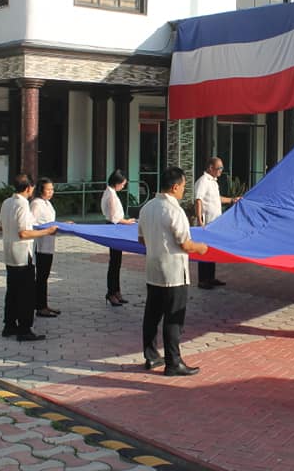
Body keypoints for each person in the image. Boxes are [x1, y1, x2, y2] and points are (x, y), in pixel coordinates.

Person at [139, 166, 208, 376]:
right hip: (173, 272)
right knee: (173, 318)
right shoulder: (174, 210)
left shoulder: (147, 207)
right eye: (183, 187)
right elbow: (185, 244)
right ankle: (173, 362)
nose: (183, 191)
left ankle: (151, 356)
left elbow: (141, 239)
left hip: (153, 269)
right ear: (175, 186)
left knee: (152, 315)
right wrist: (201, 248)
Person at [0, 174, 58, 342]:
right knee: (26, 293)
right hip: (22, 254)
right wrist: (47, 231)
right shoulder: (22, 204)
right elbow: (24, 232)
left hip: (9, 252)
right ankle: (25, 329)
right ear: (28, 188)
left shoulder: (7, 202)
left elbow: (0, 226)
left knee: (12, 291)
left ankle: (9, 325)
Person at [194, 157, 239, 289]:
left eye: (221, 168)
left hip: (214, 223)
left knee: (211, 250)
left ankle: (211, 277)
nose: (221, 171)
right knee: (203, 251)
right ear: (210, 168)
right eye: (219, 168)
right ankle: (203, 280)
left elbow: (216, 199)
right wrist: (199, 219)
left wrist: (232, 200)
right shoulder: (203, 181)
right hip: (206, 223)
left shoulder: (213, 182)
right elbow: (198, 200)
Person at [30, 177, 65, 318]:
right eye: (48, 189)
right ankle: (40, 306)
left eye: (52, 189)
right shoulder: (36, 204)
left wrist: (63, 225)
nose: (51, 192)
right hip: (41, 245)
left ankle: (43, 304)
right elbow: (33, 224)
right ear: (40, 190)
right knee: (41, 276)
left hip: (49, 244)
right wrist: (48, 229)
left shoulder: (47, 204)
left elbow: (51, 221)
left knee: (44, 276)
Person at [101, 169, 136, 306]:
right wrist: (127, 221)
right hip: (114, 228)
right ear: (117, 183)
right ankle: (111, 292)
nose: (123, 186)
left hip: (115, 228)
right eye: (123, 184)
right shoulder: (111, 195)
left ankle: (116, 291)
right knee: (114, 262)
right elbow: (115, 218)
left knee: (116, 262)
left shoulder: (111, 192)